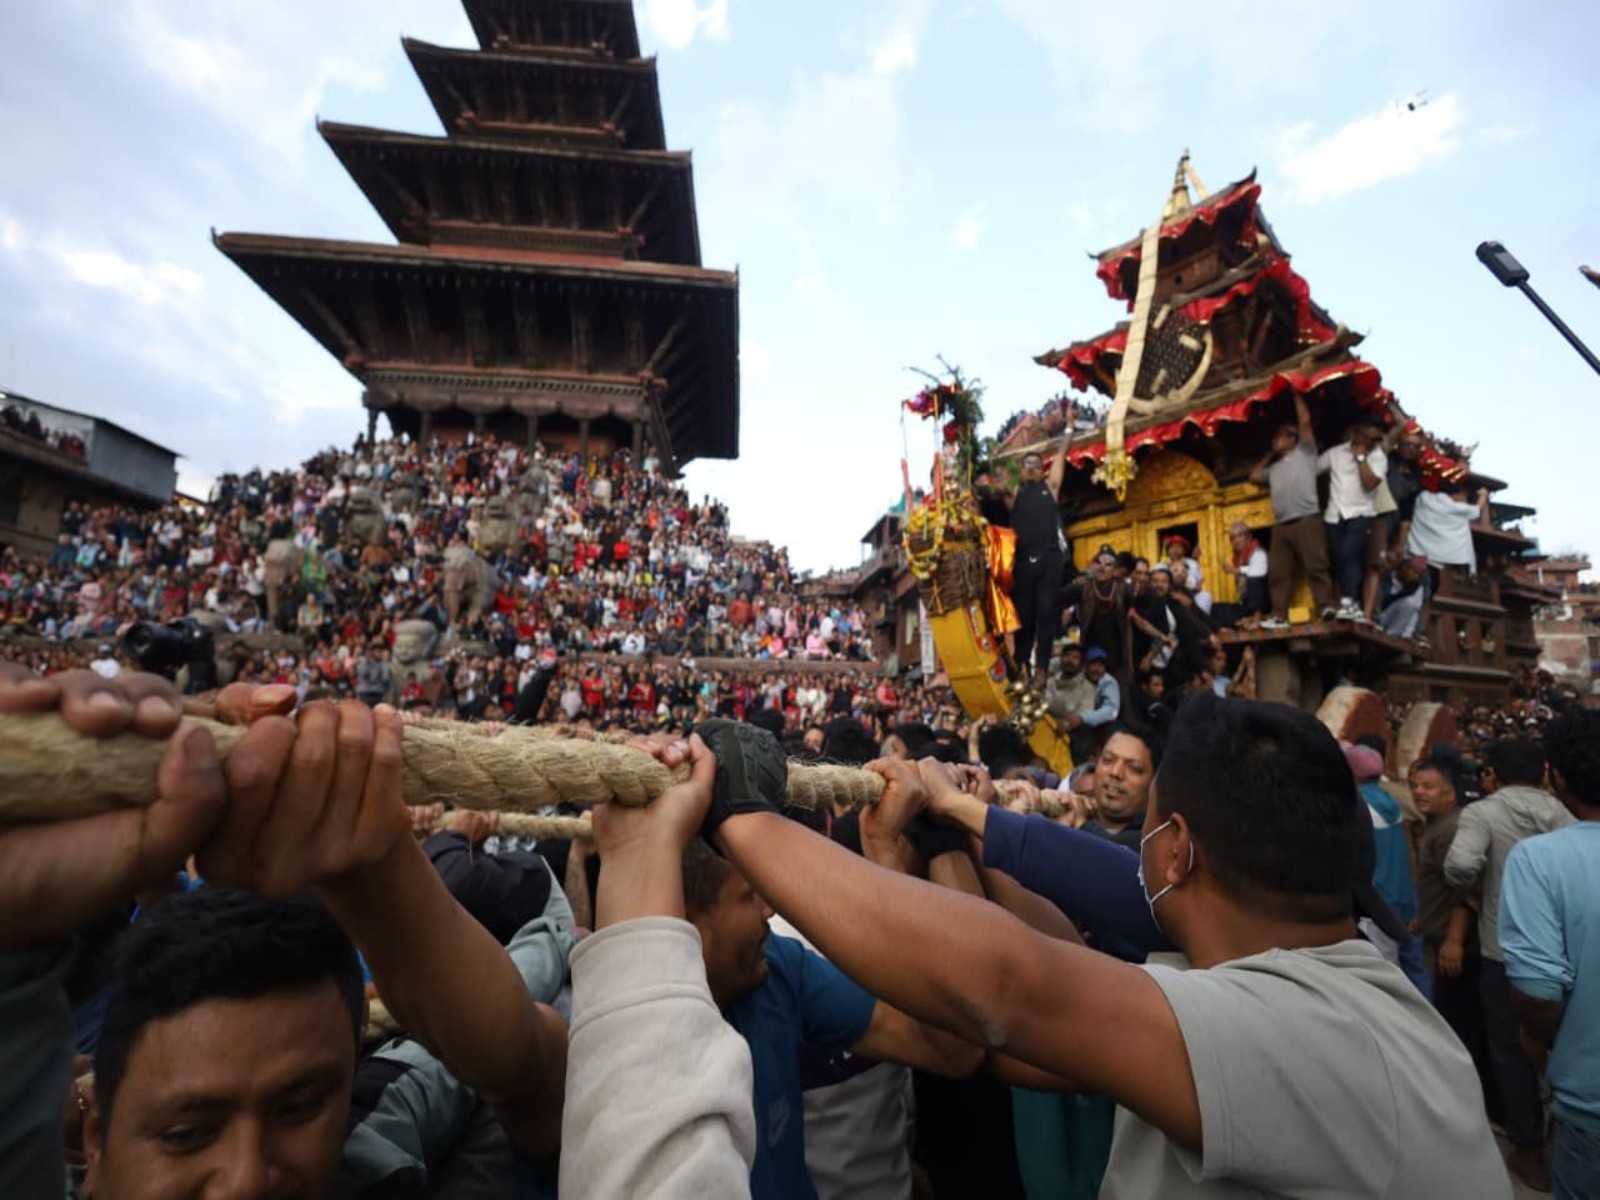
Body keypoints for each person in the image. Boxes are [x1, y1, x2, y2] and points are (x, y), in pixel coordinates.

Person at [700, 694, 1508, 1198]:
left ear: (1176, 849)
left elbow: (1015, 983)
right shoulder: (1328, 986)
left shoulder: (1292, 1031)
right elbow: (1058, 965)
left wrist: (740, 815)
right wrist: (950, 837)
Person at [0, 665, 572, 1199]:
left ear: (346, 1086)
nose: (247, 1179)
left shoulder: (374, 1140)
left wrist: (380, 869)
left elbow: (528, 1074)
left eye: (298, 1109)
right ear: (93, 1134)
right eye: (187, 1132)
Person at [1445, 736, 1575, 1190]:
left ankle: (1529, 1148)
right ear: (1543, 773)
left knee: (1510, 1048)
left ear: (1493, 775)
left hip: (1505, 950)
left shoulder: (1483, 812)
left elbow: (1460, 865)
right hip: (1563, 945)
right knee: (1564, 1038)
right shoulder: (1562, 812)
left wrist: (1473, 887)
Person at [1499, 709, 1600, 1200]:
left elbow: (1538, 994)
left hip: (1591, 1108)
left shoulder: (1539, 860)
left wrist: (1534, 1037)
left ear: (1554, 776)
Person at [1411, 758, 1498, 1125]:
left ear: (1449, 793)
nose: (1418, 792)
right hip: (1438, 935)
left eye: (1428, 786)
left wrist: (1454, 940)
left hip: (1456, 949)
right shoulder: (1436, 826)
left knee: (1459, 1028)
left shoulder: (1450, 831)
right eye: (1415, 785)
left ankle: (1468, 1110)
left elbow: (1466, 892)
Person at [1344, 742, 1428, 996]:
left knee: (1386, 981)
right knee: (1416, 972)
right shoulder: (1391, 802)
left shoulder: (1359, 806)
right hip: (1405, 899)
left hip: (1378, 904)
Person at [1251, 392, 1336, 629]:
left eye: (1281, 437)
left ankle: (1325, 605)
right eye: (1275, 437)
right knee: (1279, 572)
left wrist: (1296, 392)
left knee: (1316, 565)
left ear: (1293, 438)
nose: (1276, 440)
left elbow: (1305, 421)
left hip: (1306, 519)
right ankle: (1279, 615)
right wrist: (1270, 455)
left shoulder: (1306, 453)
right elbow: (1254, 475)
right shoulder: (1274, 468)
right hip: (1281, 525)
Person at [1318, 415, 1387, 621]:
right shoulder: (1335, 453)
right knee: (1339, 558)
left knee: (1350, 553)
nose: (1373, 443)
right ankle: (1346, 602)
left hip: (1360, 513)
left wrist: (1361, 458)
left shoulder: (1378, 457)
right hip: (1334, 514)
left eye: (1376, 440)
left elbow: (1370, 483)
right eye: (1369, 438)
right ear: (1358, 433)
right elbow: (1313, 469)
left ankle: (1351, 602)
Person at [1009, 448, 1068, 685]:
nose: (1032, 467)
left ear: (1042, 469)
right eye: (1027, 464)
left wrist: (1069, 430)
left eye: (1036, 463)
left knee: (1046, 611)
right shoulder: (1014, 493)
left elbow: (1061, 455)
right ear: (1021, 470)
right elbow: (996, 484)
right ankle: (1021, 666)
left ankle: (1041, 668)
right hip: (1024, 563)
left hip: (1049, 560)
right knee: (1024, 617)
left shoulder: (1050, 488)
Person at [1225, 522, 1268, 618]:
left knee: (1253, 580)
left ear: (1249, 537)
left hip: (1265, 600)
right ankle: (1246, 617)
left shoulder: (1257, 551)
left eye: (1240, 536)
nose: (1236, 541)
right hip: (1248, 603)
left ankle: (1257, 618)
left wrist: (1236, 571)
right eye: (1232, 538)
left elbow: (1257, 572)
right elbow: (1241, 588)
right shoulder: (1237, 557)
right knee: (1220, 608)